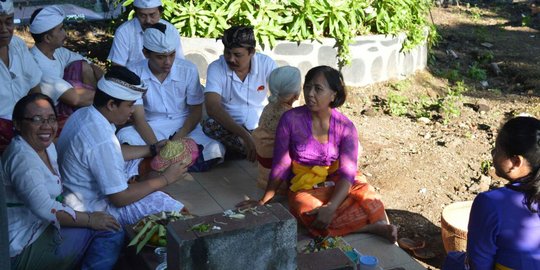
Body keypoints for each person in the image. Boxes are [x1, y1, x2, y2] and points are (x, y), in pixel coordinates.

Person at [238, 66, 397, 241]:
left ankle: (352, 222)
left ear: (334, 95)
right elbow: (281, 164)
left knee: (369, 196)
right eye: (307, 87)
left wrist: (331, 206)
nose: (310, 93)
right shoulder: (290, 119)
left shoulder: (346, 127)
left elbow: (347, 174)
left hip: (337, 182)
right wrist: (264, 200)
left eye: (318, 89)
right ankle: (369, 227)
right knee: (305, 208)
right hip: (305, 186)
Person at [2, 93, 123, 270]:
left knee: (102, 220)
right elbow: (44, 208)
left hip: (40, 227)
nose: (47, 126)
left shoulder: (46, 146)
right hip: (22, 244)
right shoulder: (23, 160)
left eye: (51, 119)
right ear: (18, 124)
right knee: (110, 230)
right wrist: (90, 219)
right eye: (36, 119)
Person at [57, 66, 189, 226]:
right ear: (112, 104)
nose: (133, 111)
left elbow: (114, 151)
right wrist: (166, 179)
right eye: (130, 105)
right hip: (93, 208)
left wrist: (152, 149)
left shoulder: (85, 114)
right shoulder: (101, 138)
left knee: (140, 157)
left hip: (76, 189)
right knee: (175, 211)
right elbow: (120, 199)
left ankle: (142, 185)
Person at [117, 22, 224, 177]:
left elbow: (195, 112)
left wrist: (176, 141)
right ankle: (177, 162)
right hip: (150, 126)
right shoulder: (133, 72)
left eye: (171, 55)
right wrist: (156, 147)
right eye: (160, 57)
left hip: (183, 126)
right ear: (146, 53)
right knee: (125, 138)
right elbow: (139, 118)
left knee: (215, 149)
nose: (168, 62)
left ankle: (154, 163)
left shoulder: (188, 69)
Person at [443, 116, 540, 270]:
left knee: (453, 261)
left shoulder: (491, 203)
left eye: (498, 149)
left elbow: (478, 265)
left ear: (516, 162)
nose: (493, 152)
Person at [203, 25, 277, 161]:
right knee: (209, 125)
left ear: (252, 52)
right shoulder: (216, 67)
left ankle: (248, 148)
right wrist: (245, 135)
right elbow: (212, 107)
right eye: (227, 53)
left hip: (260, 126)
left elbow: (279, 98)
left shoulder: (266, 64)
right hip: (230, 126)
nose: (231, 59)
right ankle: (254, 149)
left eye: (237, 55)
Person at [29, 5, 104, 133]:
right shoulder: (36, 65)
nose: (65, 33)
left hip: (70, 103)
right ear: (47, 38)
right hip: (52, 116)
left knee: (82, 66)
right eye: (61, 29)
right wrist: (110, 96)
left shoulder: (57, 52)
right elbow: (75, 98)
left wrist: (106, 82)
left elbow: (91, 66)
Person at [0, 0, 42, 153]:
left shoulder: (17, 45)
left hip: (26, 121)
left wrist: (40, 118)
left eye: (8, 22)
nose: (4, 29)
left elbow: (35, 88)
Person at [252, 66, 301, 193]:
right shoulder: (291, 116)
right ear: (296, 94)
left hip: (263, 176)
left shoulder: (267, 108)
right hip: (281, 183)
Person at [108, 0, 184, 67]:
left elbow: (179, 63)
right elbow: (117, 66)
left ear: (160, 13)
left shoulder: (171, 30)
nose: (148, 20)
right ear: (136, 14)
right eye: (143, 15)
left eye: (152, 15)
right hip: (133, 80)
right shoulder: (123, 32)